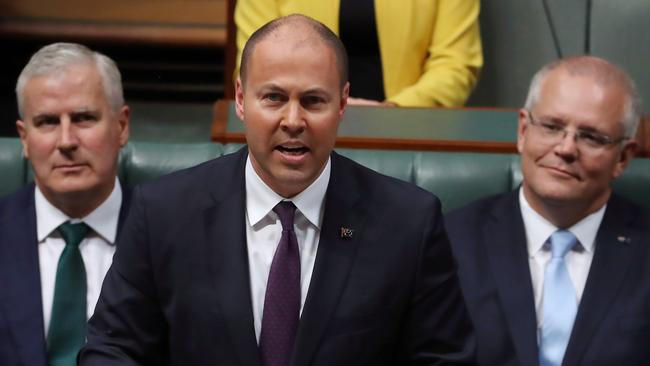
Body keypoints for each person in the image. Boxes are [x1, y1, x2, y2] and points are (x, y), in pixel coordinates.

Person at [79, 14, 475, 365]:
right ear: (240, 99)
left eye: (314, 101)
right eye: (274, 98)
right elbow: (112, 349)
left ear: (342, 104)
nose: (293, 120)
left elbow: (445, 359)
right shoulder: (164, 212)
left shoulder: (408, 222)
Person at [446, 56, 650, 366]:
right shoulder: (451, 241)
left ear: (623, 157)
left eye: (592, 137)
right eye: (552, 127)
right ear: (523, 130)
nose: (566, 148)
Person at [0, 43, 130, 366]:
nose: (67, 141)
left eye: (84, 118)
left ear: (121, 126)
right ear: (24, 138)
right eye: (46, 122)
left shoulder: (173, 237)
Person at [234, 0, 482, 108]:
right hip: (297, 121)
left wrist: (393, 111)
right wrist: (317, 107)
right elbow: (254, 61)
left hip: (402, 133)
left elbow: (455, 62)